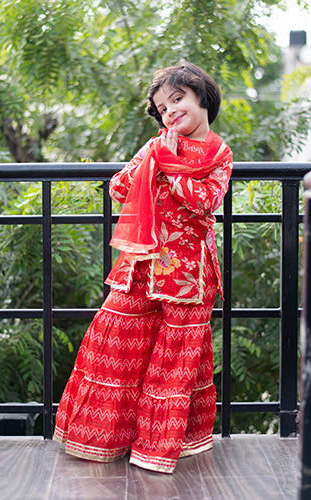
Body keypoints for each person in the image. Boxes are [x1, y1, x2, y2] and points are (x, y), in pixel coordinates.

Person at [53, 61, 233, 474]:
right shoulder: (155, 146)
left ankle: (159, 450)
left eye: (177, 99)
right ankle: (107, 441)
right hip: (141, 266)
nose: (170, 112)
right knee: (112, 339)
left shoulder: (218, 154)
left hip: (189, 274)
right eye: (163, 108)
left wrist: (166, 166)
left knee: (176, 361)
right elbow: (117, 187)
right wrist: (153, 160)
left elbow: (206, 200)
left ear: (201, 97)